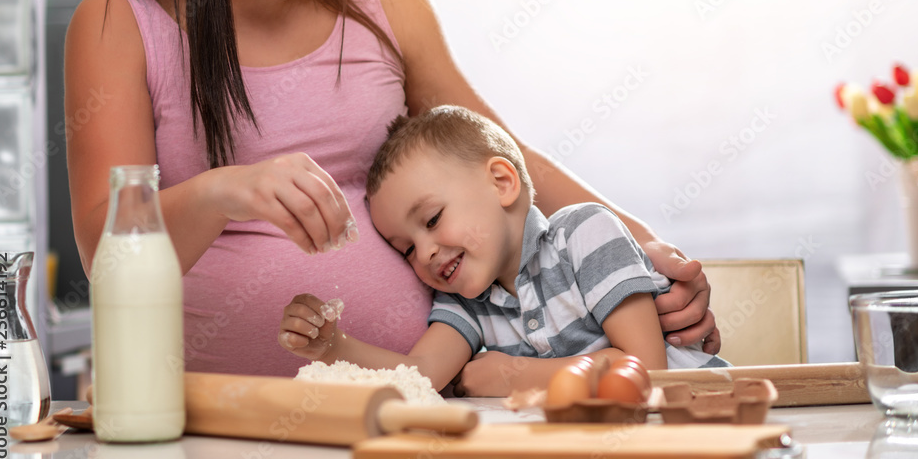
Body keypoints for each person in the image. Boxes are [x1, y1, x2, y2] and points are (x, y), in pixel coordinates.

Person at [64, 0, 720, 380]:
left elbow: (501, 158)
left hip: (420, 413)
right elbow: (104, 253)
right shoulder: (118, 24)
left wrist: (644, 245)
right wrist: (224, 191)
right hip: (219, 421)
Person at [279, 106, 728, 395]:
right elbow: (420, 375)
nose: (426, 254)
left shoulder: (585, 233)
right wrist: (332, 345)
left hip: (696, 425)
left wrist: (510, 376)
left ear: (502, 182)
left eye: (432, 220)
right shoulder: (466, 302)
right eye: (407, 250)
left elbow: (644, 369)